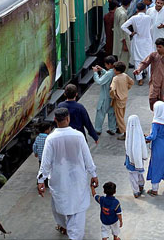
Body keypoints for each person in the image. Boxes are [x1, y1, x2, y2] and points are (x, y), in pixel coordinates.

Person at [37, 108, 98, 240]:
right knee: (77, 210)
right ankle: (74, 235)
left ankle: (63, 225)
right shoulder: (78, 136)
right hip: (78, 179)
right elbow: (87, 157)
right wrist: (93, 174)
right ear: (68, 118)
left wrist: (41, 181)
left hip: (59, 181)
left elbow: (45, 163)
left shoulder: (51, 139)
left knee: (60, 205)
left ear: (55, 120)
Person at [134, 38, 164, 110]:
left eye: (160, 47)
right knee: (152, 99)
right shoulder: (153, 55)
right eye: (157, 47)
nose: (158, 49)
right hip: (155, 80)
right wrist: (139, 69)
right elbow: (145, 63)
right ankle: (155, 114)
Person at [121, 3, 153, 85]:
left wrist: (131, 33)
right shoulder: (149, 18)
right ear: (145, 9)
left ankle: (140, 79)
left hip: (137, 40)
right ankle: (151, 78)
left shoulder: (134, 18)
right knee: (149, 60)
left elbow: (123, 26)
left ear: (137, 10)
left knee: (137, 60)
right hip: (147, 40)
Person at [145, 101, 164, 195]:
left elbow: (153, 136)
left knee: (156, 166)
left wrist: (145, 138)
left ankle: (154, 189)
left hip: (157, 146)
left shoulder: (156, 122)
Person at [124, 115, 148, 198]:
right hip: (139, 158)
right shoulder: (139, 132)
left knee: (132, 175)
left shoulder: (129, 132)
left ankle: (136, 191)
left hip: (130, 158)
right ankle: (141, 185)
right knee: (139, 173)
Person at [93, 56, 117, 135]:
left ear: (109, 64)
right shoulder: (115, 71)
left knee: (100, 113)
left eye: (106, 64)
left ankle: (98, 129)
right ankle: (112, 129)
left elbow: (99, 81)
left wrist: (95, 72)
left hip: (105, 96)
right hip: (113, 97)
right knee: (111, 113)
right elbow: (107, 75)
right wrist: (102, 70)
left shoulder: (109, 73)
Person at [109, 61, 134, 140]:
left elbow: (112, 89)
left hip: (118, 99)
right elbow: (131, 82)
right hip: (124, 98)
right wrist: (127, 88)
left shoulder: (115, 78)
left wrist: (114, 95)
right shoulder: (125, 75)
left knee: (119, 117)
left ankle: (125, 132)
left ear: (117, 70)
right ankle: (121, 129)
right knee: (122, 115)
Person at [112, 0, 131, 66]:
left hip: (117, 38)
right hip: (122, 41)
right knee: (124, 61)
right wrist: (125, 44)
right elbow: (123, 29)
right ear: (129, 3)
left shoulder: (118, 10)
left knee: (120, 59)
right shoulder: (123, 14)